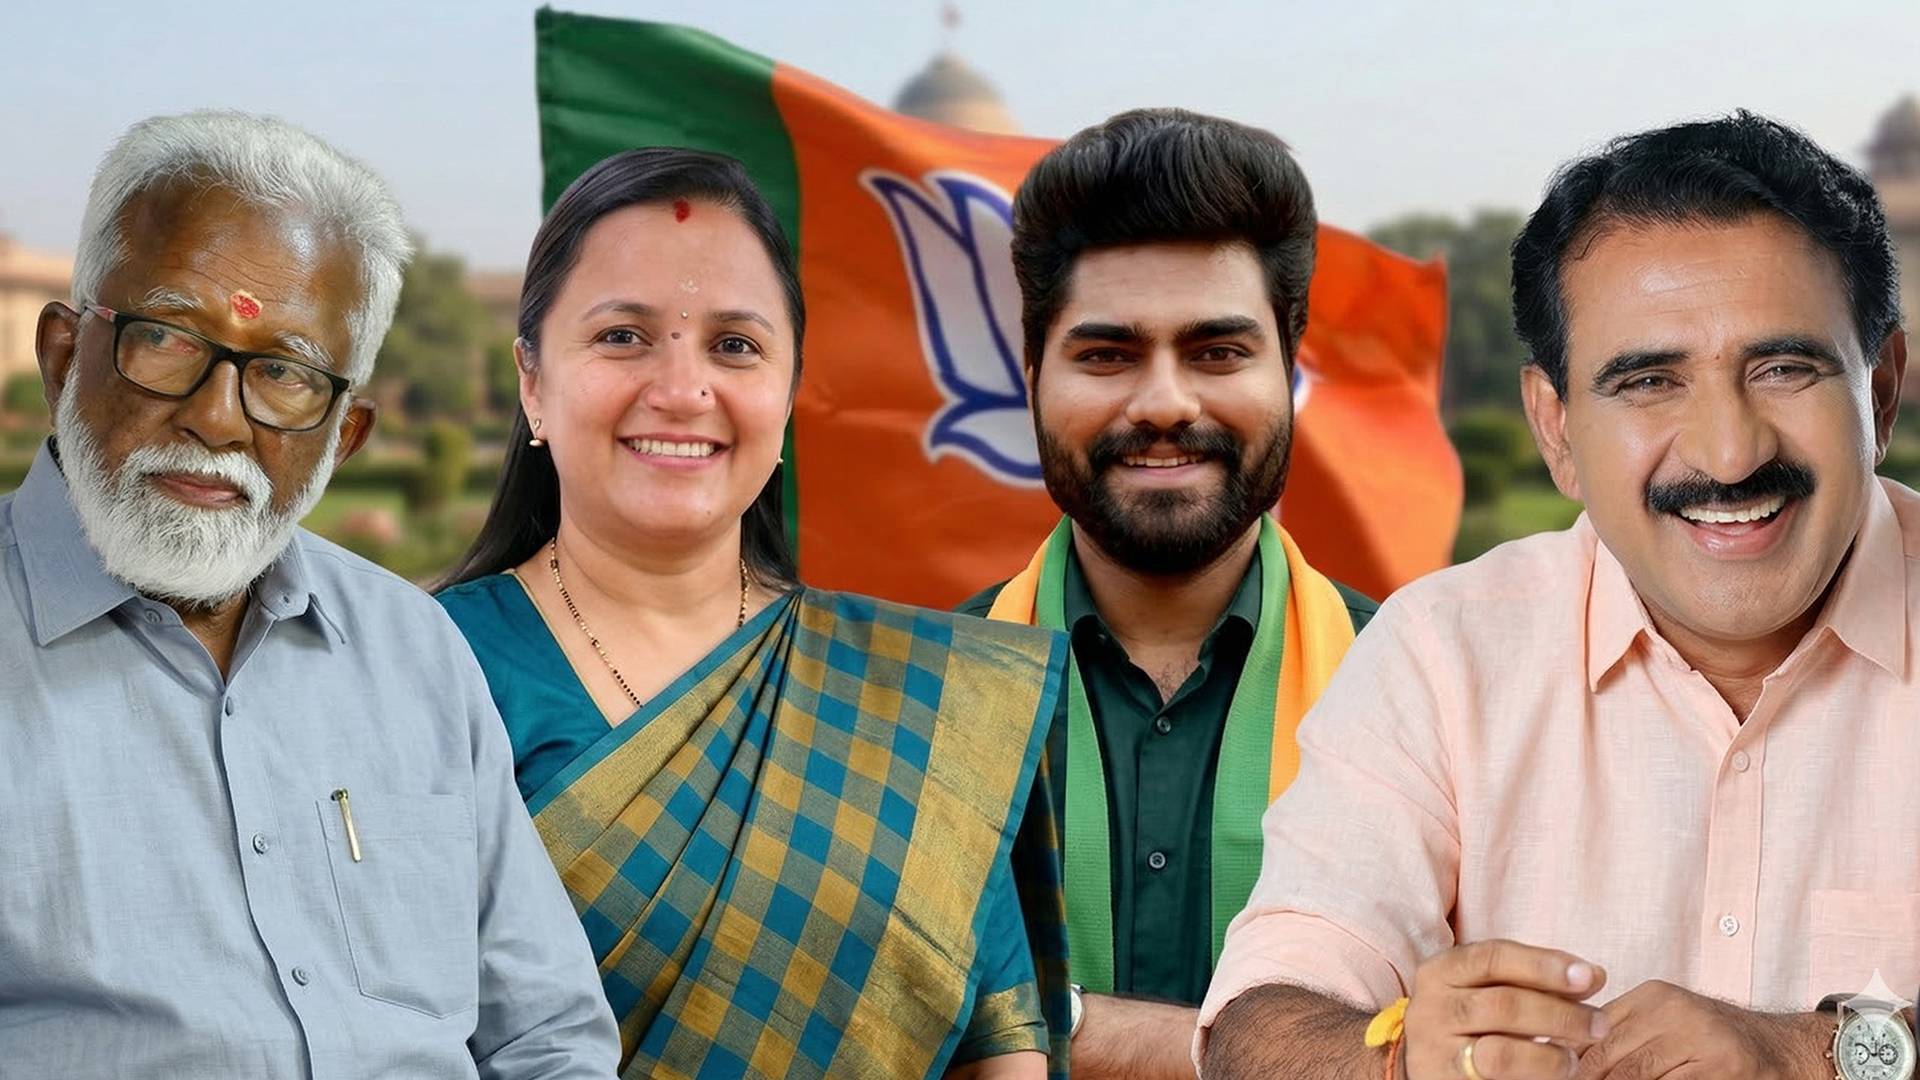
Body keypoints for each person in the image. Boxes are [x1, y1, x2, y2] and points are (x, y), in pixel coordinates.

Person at [1198, 111, 1920, 1080]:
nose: (1728, 451)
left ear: (1879, 393)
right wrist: (1395, 1060)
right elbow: (1258, 1023)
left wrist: (1822, 1052)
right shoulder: (1443, 654)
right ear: (1556, 430)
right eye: (1649, 381)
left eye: (1784, 369)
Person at [0, 111, 619, 1078]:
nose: (213, 418)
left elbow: (548, 1035)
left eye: (283, 373)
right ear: (63, 355)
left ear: (346, 435)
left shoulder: (412, 650)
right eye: (164, 339)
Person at [435, 147, 1072, 1080]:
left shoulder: (921, 701)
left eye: (735, 346)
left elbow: (1001, 1052)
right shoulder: (421, 671)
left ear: (787, 392)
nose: (684, 390)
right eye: (623, 336)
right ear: (532, 381)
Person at [956, 108, 1377, 1080]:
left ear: (1289, 365)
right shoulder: (906, 704)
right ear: (1032, 375)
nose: (1163, 403)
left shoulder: (1432, 697)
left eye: (1218, 352)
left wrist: (1053, 1024)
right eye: (1106, 355)